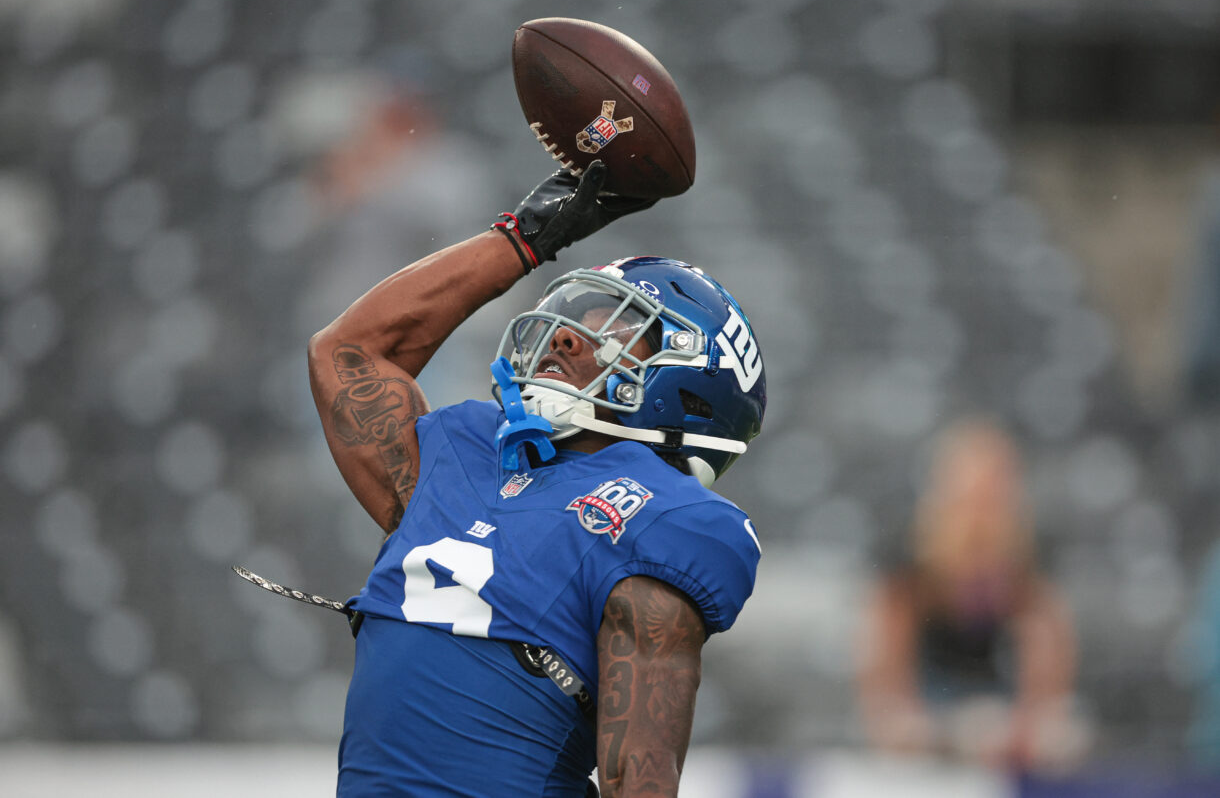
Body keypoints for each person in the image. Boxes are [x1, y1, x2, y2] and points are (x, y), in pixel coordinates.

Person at [307, 160, 767, 797]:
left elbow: (638, 780)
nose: (571, 339)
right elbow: (348, 351)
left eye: (619, 324)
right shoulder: (464, 450)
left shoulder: (663, 516)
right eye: (581, 314)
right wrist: (523, 238)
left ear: (692, 381)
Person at [855, 419, 1088, 772]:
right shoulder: (908, 568)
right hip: (927, 728)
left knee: (1063, 737)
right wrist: (943, 734)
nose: (980, 517)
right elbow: (883, 691)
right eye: (969, 500)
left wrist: (1020, 730)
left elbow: (1049, 689)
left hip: (1006, 726)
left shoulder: (1030, 570)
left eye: (993, 499)